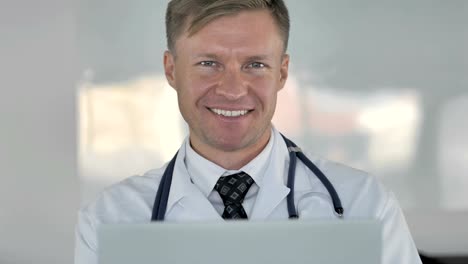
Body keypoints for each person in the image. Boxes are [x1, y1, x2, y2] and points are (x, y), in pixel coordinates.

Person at [74, 1, 422, 263]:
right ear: (171, 69)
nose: (232, 89)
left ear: (282, 73)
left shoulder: (366, 206)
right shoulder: (108, 221)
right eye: (208, 64)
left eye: (255, 65)